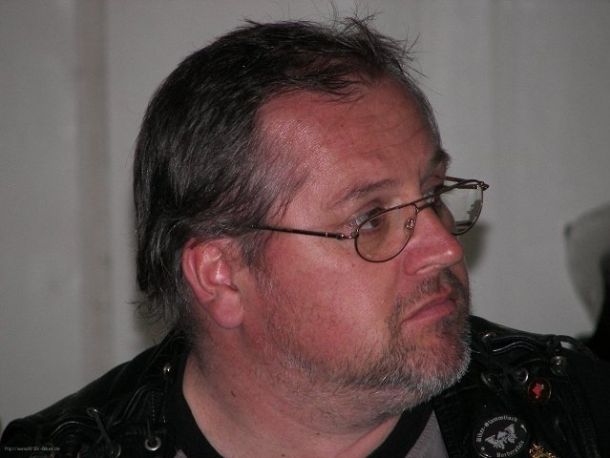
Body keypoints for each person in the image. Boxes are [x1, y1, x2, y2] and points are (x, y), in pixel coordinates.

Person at [2, 17, 609, 458]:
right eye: (370, 219)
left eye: (432, 195)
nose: (446, 248)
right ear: (222, 275)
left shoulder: (568, 408)